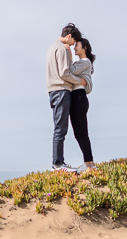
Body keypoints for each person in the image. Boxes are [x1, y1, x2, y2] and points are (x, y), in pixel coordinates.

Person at [46, 23, 87, 171]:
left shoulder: (52, 47)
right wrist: (79, 81)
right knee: (60, 129)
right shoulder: (62, 48)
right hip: (61, 90)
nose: (74, 44)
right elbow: (64, 72)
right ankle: (57, 164)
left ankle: (58, 163)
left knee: (59, 127)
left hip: (53, 91)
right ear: (69, 37)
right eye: (74, 41)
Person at [69, 38, 96, 170]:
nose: (74, 48)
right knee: (77, 133)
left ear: (84, 47)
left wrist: (68, 55)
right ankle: (89, 162)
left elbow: (70, 71)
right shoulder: (81, 62)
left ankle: (89, 163)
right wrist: (79, 80)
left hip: (79, 97)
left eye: (77, 46)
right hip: (75, 97)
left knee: (82, 132)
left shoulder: (85, 62)